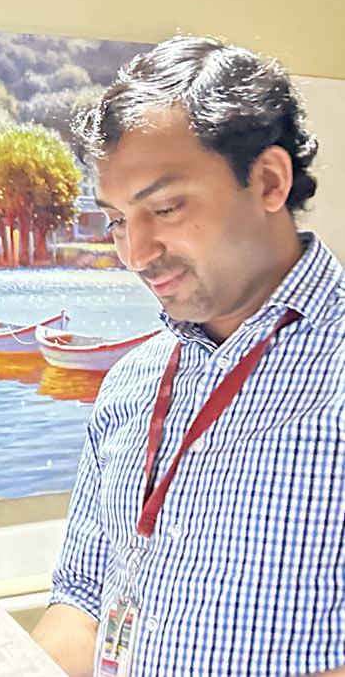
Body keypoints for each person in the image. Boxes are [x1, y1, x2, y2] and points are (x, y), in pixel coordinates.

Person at [31, 36, 345, 676]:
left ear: (268, 181)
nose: (136, 253)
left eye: (165, 207)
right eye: (117, 220)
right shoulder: (130, 383)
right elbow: (87, 598)